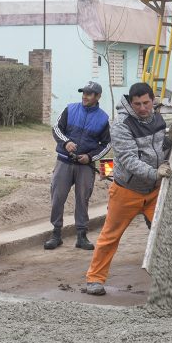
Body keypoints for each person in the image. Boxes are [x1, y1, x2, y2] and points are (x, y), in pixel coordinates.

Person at [83, 82, 172, 296]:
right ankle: (94, 279)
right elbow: (129, 159)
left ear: (153, 100)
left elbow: (162, 148)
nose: (142, 108)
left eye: (146, 103)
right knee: (110, 235)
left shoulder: (160, 118)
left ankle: (171, 284)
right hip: (127, 190)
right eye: (137, 104)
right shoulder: (121, 124)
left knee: (165, 236)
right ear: (131, 103)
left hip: (154, 191)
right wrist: (155, 173)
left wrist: (171, 138)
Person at [47, 81, 110, 250]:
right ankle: (56, 234)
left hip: (85, 166)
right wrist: (66, 142)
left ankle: (81, 236)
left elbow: (107, 144)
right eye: (83, 93)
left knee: (83, 199)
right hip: (63, 162)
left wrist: (89, 157)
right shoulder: (70, 109)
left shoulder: (104, 118)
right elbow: (56, 129)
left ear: (98, 97)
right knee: (57, 197)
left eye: (89, 94)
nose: (85, 96)